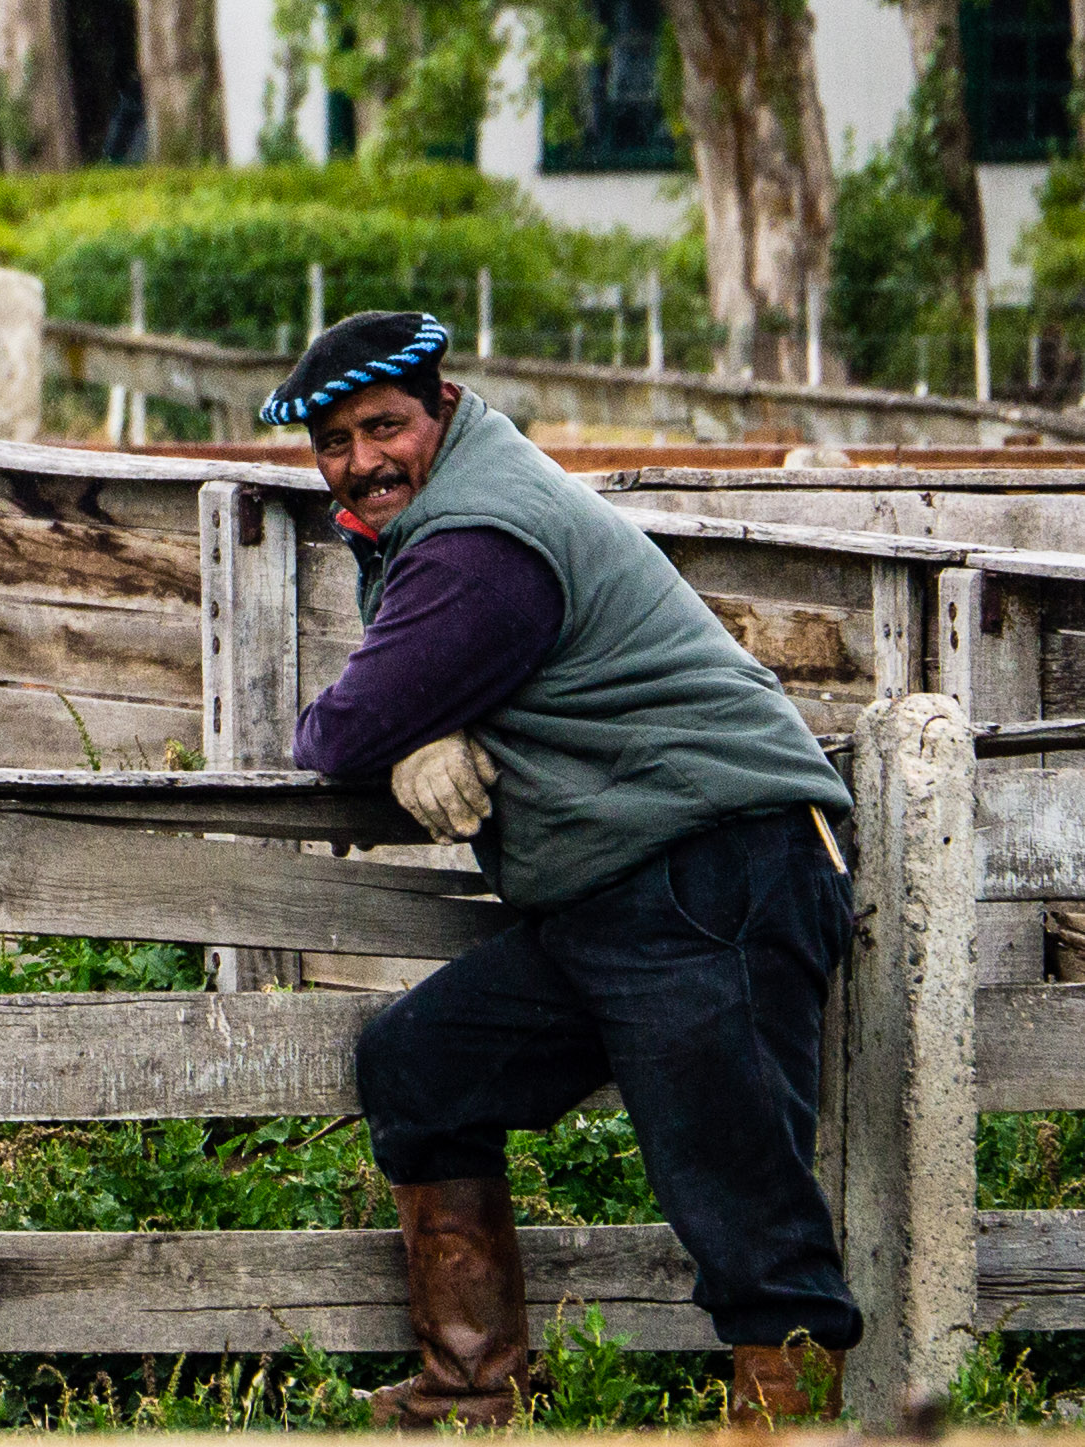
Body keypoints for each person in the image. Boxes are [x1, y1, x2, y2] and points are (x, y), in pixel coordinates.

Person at [266, 312, 860, 1428]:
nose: (360, 460)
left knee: (734, 1180)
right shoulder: (454, 507)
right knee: (420, 1065)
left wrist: (400, 725)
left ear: (438, 407)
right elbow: (394, 704)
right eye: (333, 441)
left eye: (382, 426)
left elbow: (339, 731)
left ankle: (785, 1421)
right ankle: (474, 1384)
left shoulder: (480, 538)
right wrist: (418, 724)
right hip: (617, 884)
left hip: (716, 859)